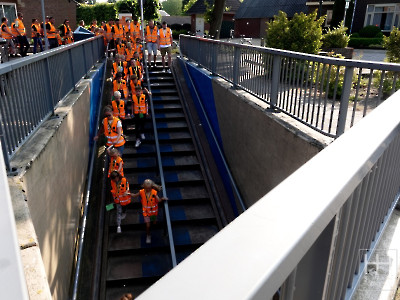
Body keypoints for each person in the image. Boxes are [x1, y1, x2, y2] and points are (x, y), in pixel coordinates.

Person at [131, 179, 166, 244]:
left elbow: (158, 200)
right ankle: (148, 235)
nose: (148, 190)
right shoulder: (141, 192)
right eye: (146, 188)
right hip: (146, 213)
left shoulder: (154, 192)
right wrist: (128, 194)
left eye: (149, 188)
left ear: (152, 187)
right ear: (144, 187)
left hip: (153, 212)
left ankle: (154, 223)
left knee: (154, 221)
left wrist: (162, 199)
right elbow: (134, 195)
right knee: (148, 226)